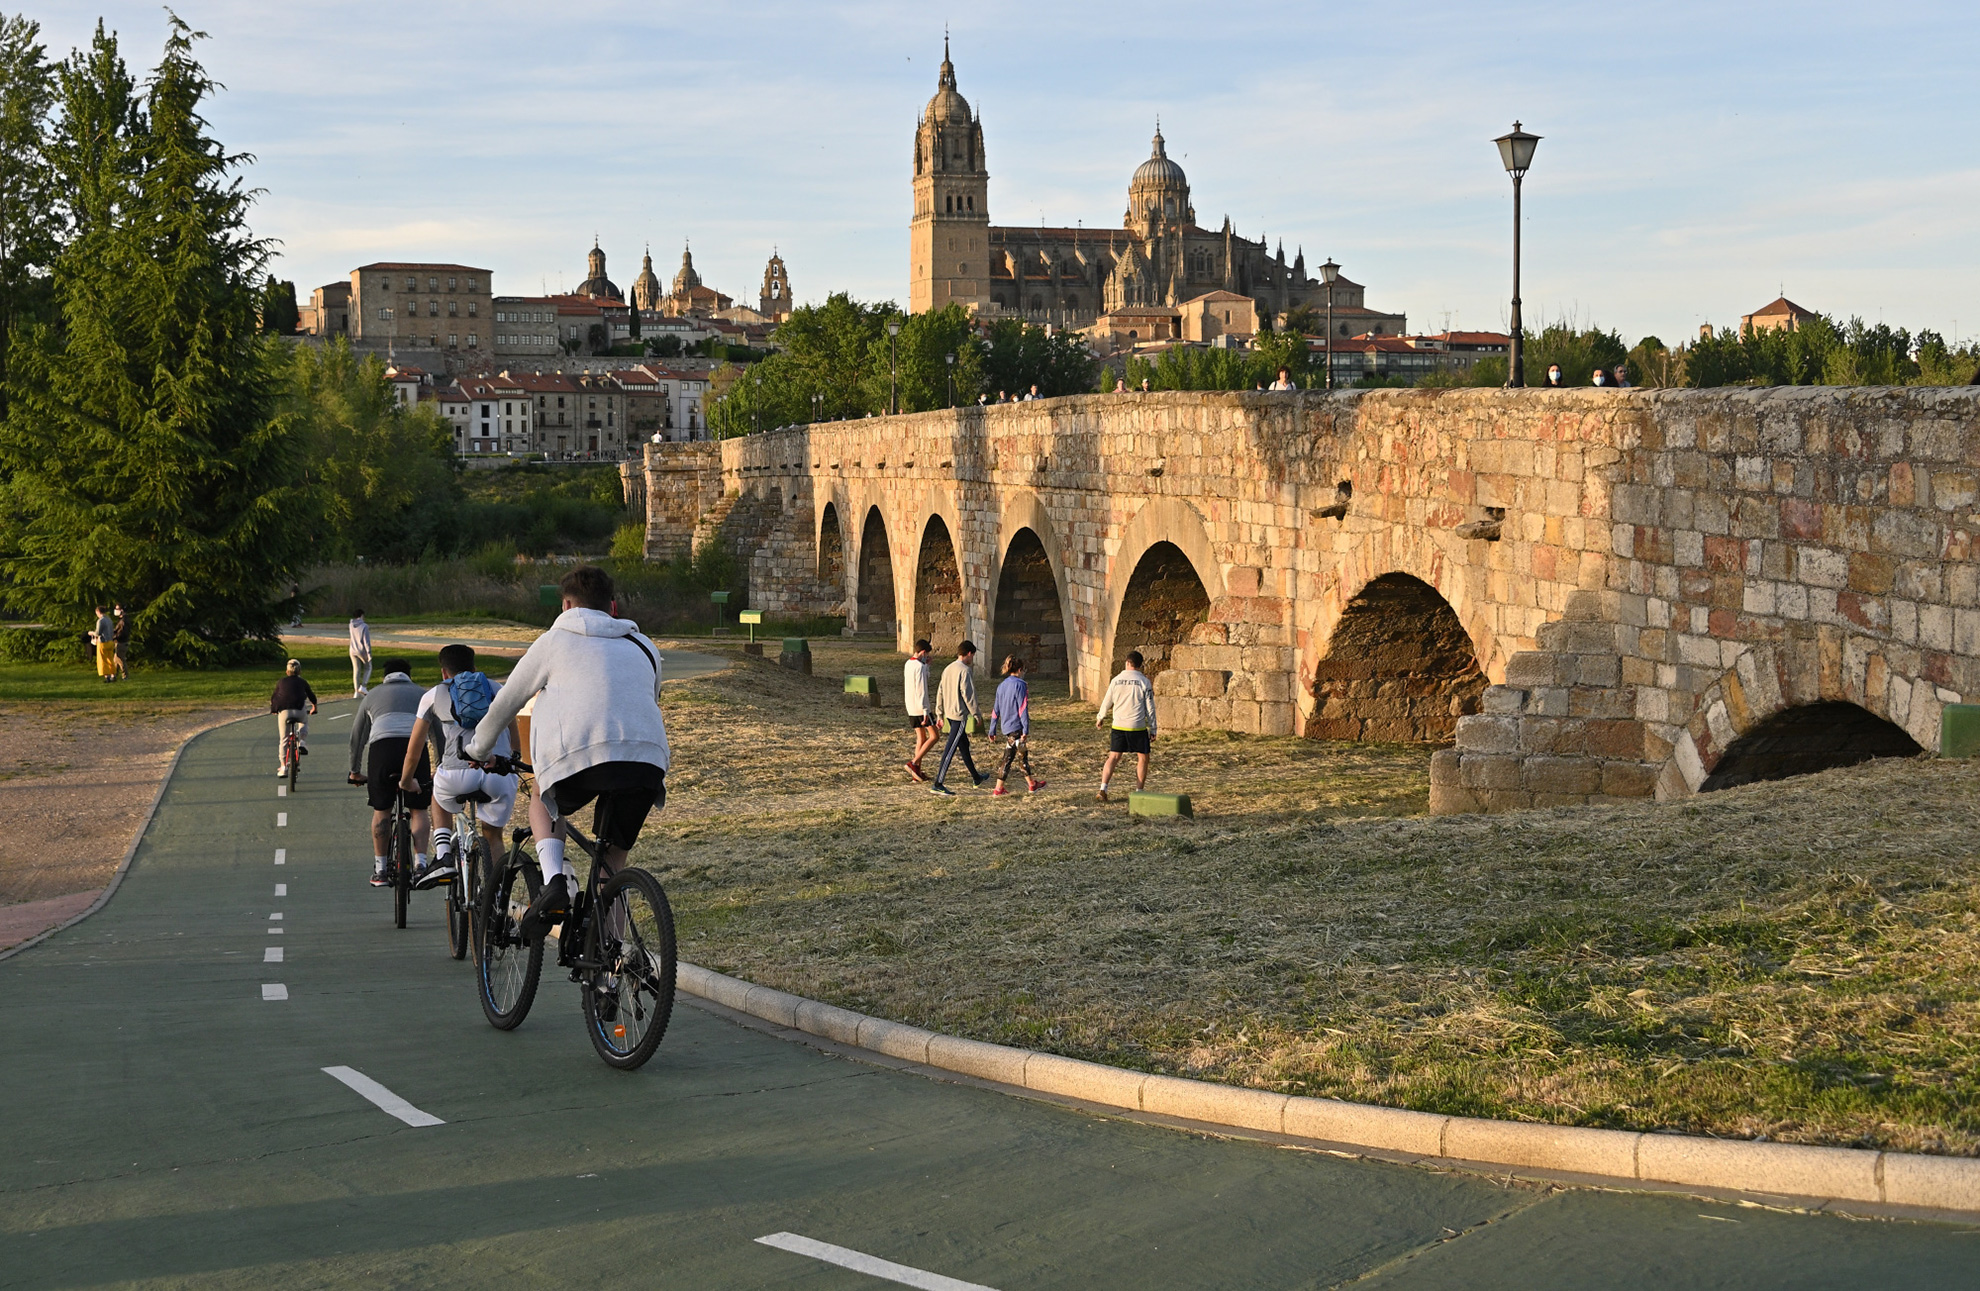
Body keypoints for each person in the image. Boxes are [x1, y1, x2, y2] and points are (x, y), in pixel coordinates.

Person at [467, 565, 670, 939]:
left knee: (545, 797)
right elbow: (650, 697)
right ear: (612, 607)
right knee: (612, 863)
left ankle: (554, 881)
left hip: (577, 757)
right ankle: (613, 968)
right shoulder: (644, 645)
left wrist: (478, 747)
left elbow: (507, 702)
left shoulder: (552, 641)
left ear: (565, 605)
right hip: (646, 761)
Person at [402, 643, 520, 890]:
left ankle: (444, 855)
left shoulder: (434, 694)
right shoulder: (496, 689)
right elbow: (513, 730)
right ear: (475, 667)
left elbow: (415, 749)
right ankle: (497, 898)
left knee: (438, 794)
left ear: (444, 672)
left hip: (456, 773)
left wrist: (406, 780)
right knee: (493, 835)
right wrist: (512, 761)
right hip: (496, 772)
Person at [348, 657, 432, 888]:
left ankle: (381, 869)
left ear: (385, 676)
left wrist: (354, 770)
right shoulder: (423, 694)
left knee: (381, 810)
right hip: (414, 750)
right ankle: (420, 865)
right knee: (418, 808)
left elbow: (358, 737)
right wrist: (442, 764)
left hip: (382, 751)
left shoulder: (373, 695)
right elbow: (438, 734)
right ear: (409, 675)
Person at [1095, 650, 1156, 802]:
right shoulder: (1144, 682)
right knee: (1143, 758)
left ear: (1127, 663)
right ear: (1140, 665)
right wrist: (1153, 727)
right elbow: (1150, 707)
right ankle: (1139, 791)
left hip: (1118, 725)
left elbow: (1107, 700)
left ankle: (1103, 789)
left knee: (1113, 757)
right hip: (1137, 726)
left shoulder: (1116, 680)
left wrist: (1100, 716)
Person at [928, 640, 987, 796]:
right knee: (950, 749)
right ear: (968, 654)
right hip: (959, 716)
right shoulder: (964, 671)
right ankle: (938, 783)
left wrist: (939, 713)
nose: (972, 659)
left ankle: (976, 777)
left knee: (964, 746)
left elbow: (939, 692)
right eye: (972, 656)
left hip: (949, 714)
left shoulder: (948, 669)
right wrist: (976, 713)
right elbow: (968, 695)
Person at [989, 656, 1044, 797]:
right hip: (1017, 727)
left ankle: (999, 788)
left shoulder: (1001, 686)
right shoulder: (1021, 685)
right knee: (1020, 756)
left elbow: (996, 709)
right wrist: (1025, 729)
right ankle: (1031, 785)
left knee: (1010, 756)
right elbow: (1022, 708)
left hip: (1006, 727)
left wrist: (992, 729)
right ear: (1020, 670)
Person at [269, 659, 319, 778]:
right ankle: (301, 740)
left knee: (284, 739)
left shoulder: (281, 682)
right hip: (299, 710)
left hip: (284, 711)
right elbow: (311, 696)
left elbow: (274, 697)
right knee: (304, 721)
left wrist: (274, 710)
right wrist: (314, 707)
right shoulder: (302, 682)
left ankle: (283, 767)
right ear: (300, 671)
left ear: (287, 671)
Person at [903, 638, 938, 782]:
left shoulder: (908, 664)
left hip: (911, 706)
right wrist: (925, 710)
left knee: (921, 738)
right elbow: (922, 688)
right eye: (926, 654)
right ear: (923, 652)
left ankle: (916, 773)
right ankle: (914, 762)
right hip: (921, 707)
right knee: (935, 736)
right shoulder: (920, 667)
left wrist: (927, 666)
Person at [349, 608, 373, 697]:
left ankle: (356, 691)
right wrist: (369, 653)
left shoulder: (351, 624)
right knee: (368, 667)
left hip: (352, 649)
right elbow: (366, 641)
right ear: (362, 615)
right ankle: (363, 686)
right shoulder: (364, 626)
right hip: (361, 650)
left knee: (356, 670)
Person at [91, 606, 116, 683]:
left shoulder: (100, 621)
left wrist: (91, 633)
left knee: (103, 660)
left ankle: (107, 676)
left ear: (98, 612)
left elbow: (98, 632)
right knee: (110, 659)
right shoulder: (109, 620)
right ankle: (113, 675)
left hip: (103, 642)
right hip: (111, 641)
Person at [110, 605, 129, 682]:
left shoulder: (124, 621)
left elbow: (121, 633)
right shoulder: (122, 620)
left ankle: (125, 676)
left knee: (120, 660)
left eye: (117, 609)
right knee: (115, 660)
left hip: (121, 642)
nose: (115, 610)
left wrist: (113, 637)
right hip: (119, 642)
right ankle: (113, 676)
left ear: (122, 610)